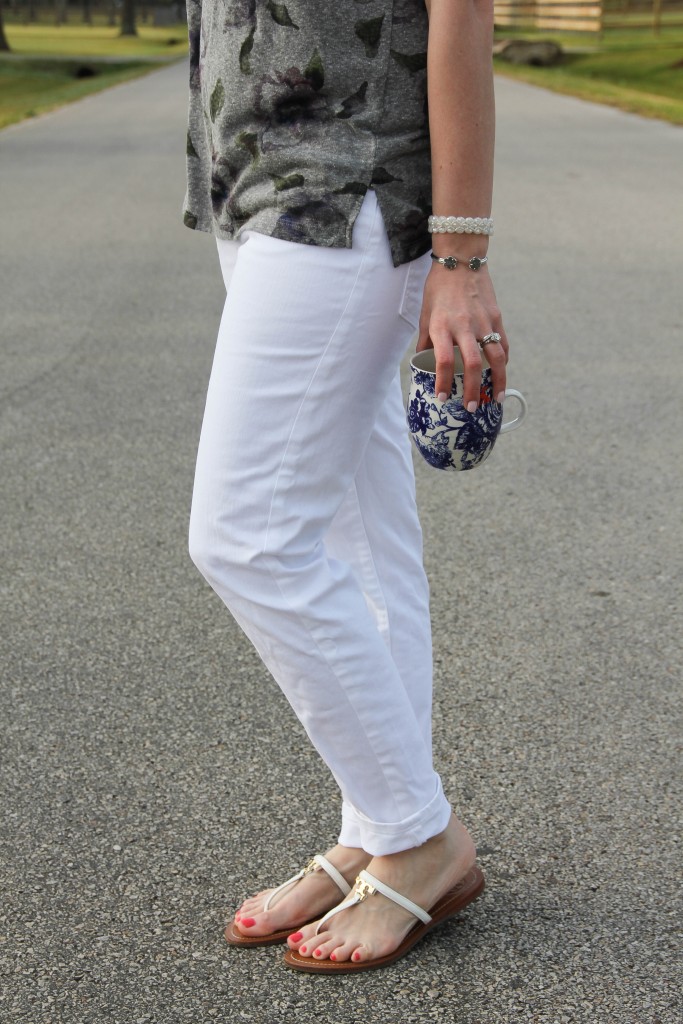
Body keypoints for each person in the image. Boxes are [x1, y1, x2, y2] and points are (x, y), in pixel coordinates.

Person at [182, 0, 509, 974]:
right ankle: (376, 828)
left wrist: (459, 256)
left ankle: (421, 835)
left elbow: (460, 20)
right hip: (249, 180)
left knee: (245, 537)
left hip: (343, 186)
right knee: (362, 536)